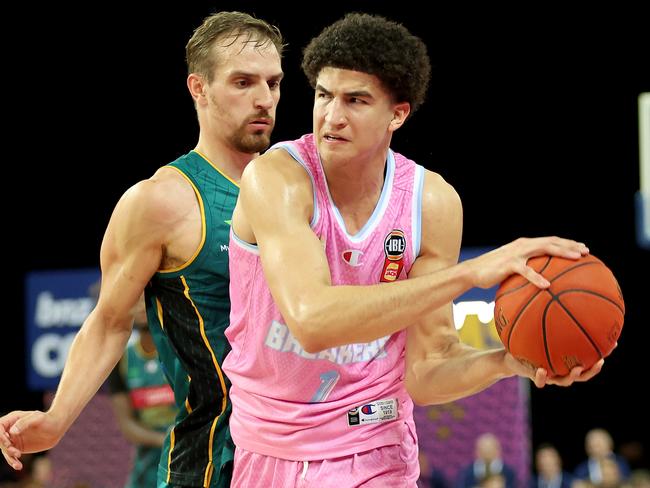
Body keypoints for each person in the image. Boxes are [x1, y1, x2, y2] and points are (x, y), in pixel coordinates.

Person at [223, 12, 603, 486]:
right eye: (324, 95)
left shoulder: (431, 203)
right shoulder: (276, 179)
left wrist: (506, 362)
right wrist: (469, 274)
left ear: (397, 114)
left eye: (355, 100)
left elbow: (427, 370)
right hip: (271, 449)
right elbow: (313, 320)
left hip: (377, 443)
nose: (331, 116)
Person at [0, 11, 284, 488]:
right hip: (214, 459)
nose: (263, 99)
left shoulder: (297, 185)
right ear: (199, 88)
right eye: (242, 82)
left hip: (311, 451)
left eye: (273, 83)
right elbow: (110, 320)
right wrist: (57, 419)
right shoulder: (160, 201)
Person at [107, 294, 176, 488]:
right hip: (148, 456)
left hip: (186, 447)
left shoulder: (180, 347)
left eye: (144, 298)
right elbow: (127, 425)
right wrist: (163, 440)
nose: (140, 306)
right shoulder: (120, 359)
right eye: (134, 299)